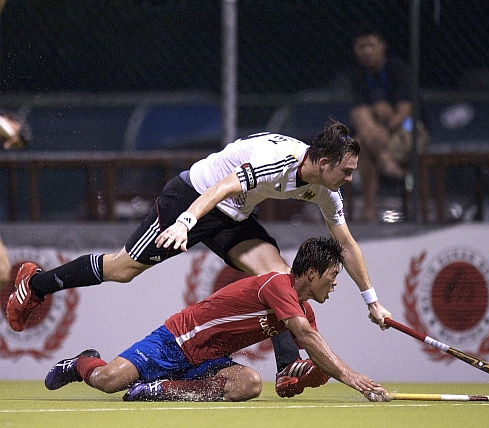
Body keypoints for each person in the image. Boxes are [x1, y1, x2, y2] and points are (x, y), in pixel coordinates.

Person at [6, 119, 392, 397]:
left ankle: (287, 367)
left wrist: (371, 300)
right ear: (323, 163)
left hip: (233, 216)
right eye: (346, 172)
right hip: (193, 196)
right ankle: (35, 284)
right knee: (122, 269)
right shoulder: (279, 160)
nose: (350, 180)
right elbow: (223, 187)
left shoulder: (325, 190)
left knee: (279, 278)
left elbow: (346, 244)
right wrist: (186, 222)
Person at [44, 238, 389, 402]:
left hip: (209, 360)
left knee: (249, 384)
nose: (335, 282)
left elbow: (312, 355)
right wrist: (355, 379)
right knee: (107, 380)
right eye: (332, 274)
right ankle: (81, 362)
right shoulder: (277, 285)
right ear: (311, 273)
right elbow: (309, 339)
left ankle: (162, 390)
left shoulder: (303, 311)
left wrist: (304, 374)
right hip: (176, 341)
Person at [350, 30, 428, 222]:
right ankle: (385, 160)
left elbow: (404, 113)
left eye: (371, 45)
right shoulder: (359, 76)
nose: (367, 51)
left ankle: (369, 210)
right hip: (378, 137)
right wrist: (376, 113)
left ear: (382, 46)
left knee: (363, 144)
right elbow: (360, 116)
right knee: (360, 117)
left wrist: (383, 118)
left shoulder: (397, 70)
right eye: (362, 46)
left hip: (409, 130)